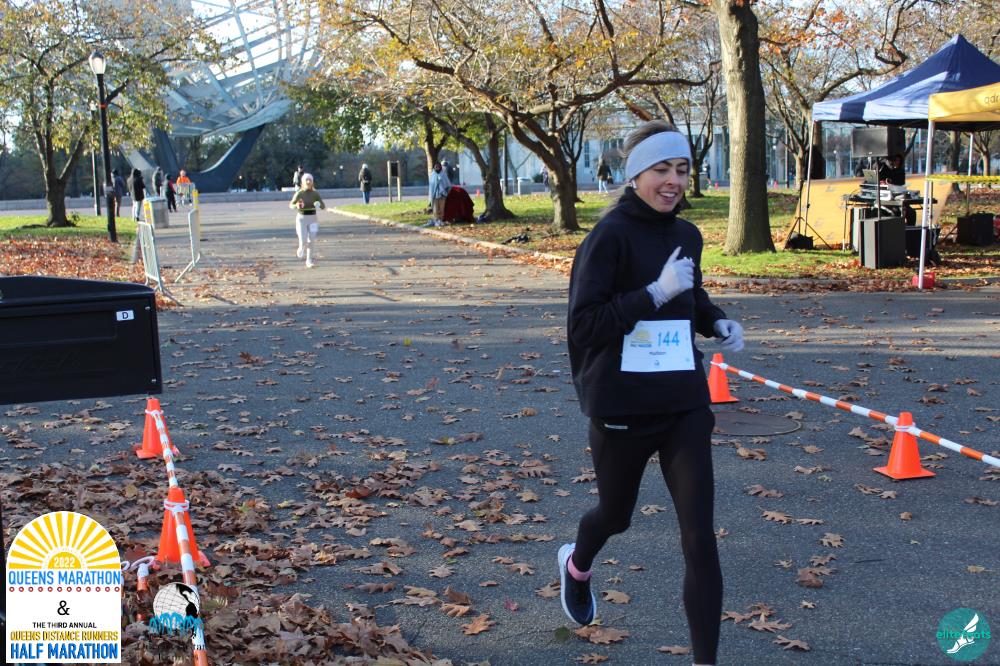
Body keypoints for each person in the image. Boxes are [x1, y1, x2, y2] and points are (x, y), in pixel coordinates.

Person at [560, 119, 744, 666]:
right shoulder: (609, 237)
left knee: (700, 539)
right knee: (615, 516)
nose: (674, 181)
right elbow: (585, 327)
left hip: (683, 401)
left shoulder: (687, 234)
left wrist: (715, 320)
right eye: (662, 169)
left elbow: (692, 294)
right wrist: (651, 294)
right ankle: (577, 564)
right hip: (622, 404)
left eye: (682, 170)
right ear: (636, 174)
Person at [288, 173, 326, 268]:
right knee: (303, 240)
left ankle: (309, 260)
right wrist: (296, 206)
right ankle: (301, 247)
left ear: (312, 182)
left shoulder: (315, 194)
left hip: (313, 219)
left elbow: (323, 206)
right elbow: (291, 205)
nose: (308, 182)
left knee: (311, 240)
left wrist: (318, 205)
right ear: (303, 182)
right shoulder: (299, 193)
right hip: (302, 219)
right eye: (306, 180)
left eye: (310, 180)